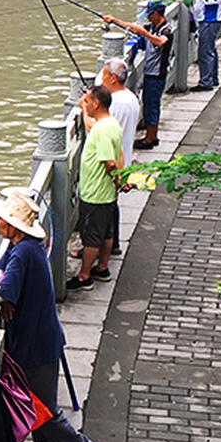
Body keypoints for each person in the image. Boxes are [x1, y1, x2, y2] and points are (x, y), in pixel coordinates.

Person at [0, 190, 102, 442]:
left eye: (1, 218)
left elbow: (6, 292)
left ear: (13, 225)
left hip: (35, 343)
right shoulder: (21, 245)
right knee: (33, 401)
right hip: (37, 337)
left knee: (41, 407)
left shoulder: (23, 251)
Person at [67, 85, 122, 293]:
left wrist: (117, 179)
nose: (87, 104)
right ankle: (102, 267)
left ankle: (84, 276)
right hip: (106, 193)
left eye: (88, 101)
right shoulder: (111, 124)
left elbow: (109, 162)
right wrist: (83, 109)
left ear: (96, 103)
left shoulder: (101, 129)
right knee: (107, 233)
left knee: (91, 237)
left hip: (95, 194)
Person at [102, 0, 171, 150]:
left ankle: (150, 139)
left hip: (156, 74)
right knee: (152, 105)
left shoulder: (166, 30)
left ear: (156, 14)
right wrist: (115, 20)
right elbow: (134, 27)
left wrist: (144, 33)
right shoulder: (153, 26)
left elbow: (160, 42)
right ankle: (152, 136)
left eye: (149, 15)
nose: (148, 18)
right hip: (151, 72)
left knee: (151, 106)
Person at [98, 57, 140, 253]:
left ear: (113, 78)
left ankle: (105, 246)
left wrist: (85, 109)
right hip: (124, 158)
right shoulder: (131, 97)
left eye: (104, 75)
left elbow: (99, 128)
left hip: (113, 161)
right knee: (112, 204)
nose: (102, 80)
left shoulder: (114, 103)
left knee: (106, 207)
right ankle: (112, 243)